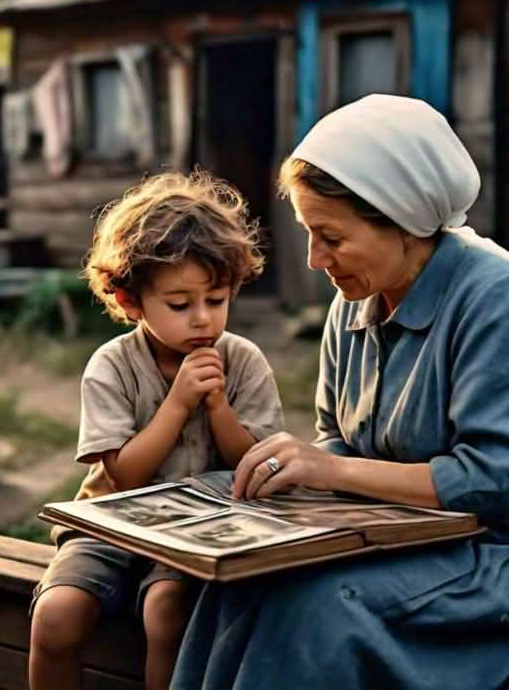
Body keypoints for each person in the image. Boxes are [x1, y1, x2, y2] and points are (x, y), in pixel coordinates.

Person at [171, 94, 509, 690]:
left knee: (315, 604)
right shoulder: (354, 299)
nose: (313, 258)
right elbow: (339, 443)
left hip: (488, 559)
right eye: (307, 233)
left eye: (330, 236)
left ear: (402, 220)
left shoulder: (493, 298)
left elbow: (488, 480)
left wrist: (329, 470)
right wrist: (290, 476)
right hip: (395, 537)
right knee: (239, 575)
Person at [28, 170, 284, 690]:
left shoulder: (243, 361)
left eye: (217, 301)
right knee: (56, 616)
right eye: (180, 304)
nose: (203, 321)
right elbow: (124, 475)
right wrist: (178, 402)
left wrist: (217, 408)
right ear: (130, 301)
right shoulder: (113, 366)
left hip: (204, 531)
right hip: (109, 525)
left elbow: (254, 465)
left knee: (167, 613)